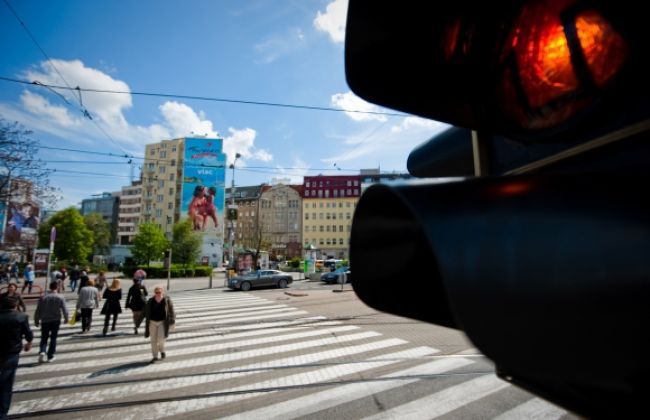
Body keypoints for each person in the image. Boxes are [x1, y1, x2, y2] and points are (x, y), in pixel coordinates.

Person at [0, 295, 33, 419]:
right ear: (15, 305)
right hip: (11, 352)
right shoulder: (21, 316)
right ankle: (2, 414)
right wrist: (29, 343)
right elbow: (28, 333)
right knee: (7, 383)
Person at [34, 281, 68, 363]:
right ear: (57, 288)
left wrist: (36, 320)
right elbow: (64, 309)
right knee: (53, 338)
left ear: (50, 287)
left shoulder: (43, 297)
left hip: (45, 320)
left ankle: (42, 351)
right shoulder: (60, 297)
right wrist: (66, 318)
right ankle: (50, 355)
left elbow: (38, 309)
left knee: (44, 337)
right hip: (55, 320)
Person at [144, 285, 175, 363]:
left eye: (159, 292)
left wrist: (173, 319)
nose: (158, 293)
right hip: (152, 322)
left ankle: (162, 350)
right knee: (153, 340)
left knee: (161, 339)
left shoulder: (167, 300)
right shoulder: (151, 300)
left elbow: (172, 311)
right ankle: (155, 356)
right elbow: (145, 312)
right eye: (156, 292)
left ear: (162, 292)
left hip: (162, 322)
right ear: (154, 293)